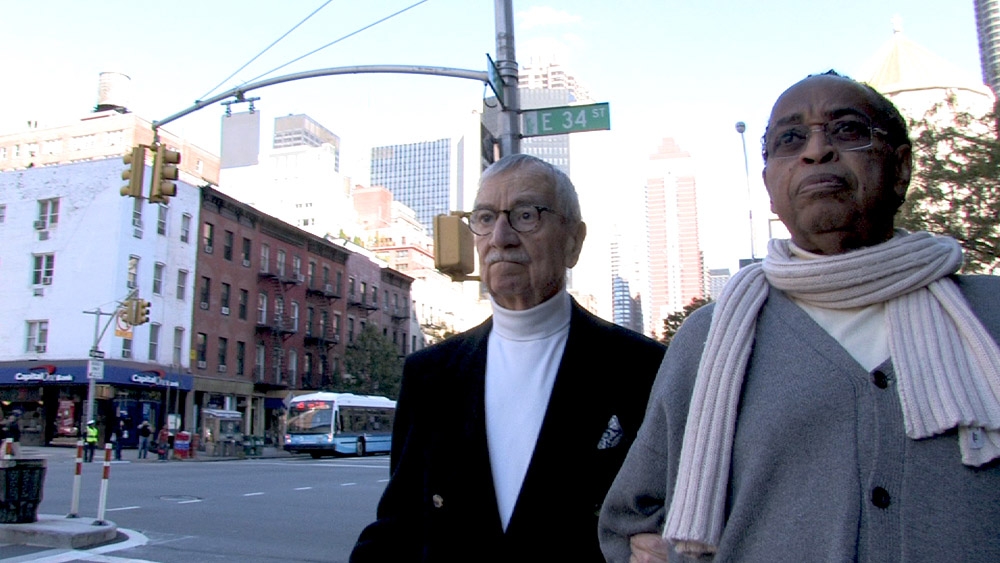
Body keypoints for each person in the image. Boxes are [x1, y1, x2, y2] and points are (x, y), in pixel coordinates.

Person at [599, 71, 1000, 562]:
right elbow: (633, 520)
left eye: (847, 130)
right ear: (769, 185)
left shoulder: (987, 317)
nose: (816, 151)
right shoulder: (707, 339)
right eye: (790, 139)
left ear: (900, 168)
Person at [351, 154, 666, 562]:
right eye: (485, 218)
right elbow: (399, 527)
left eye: (526, 215)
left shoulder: (645, 368)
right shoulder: (429, 374)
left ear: (574, 241)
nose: (500, 237)